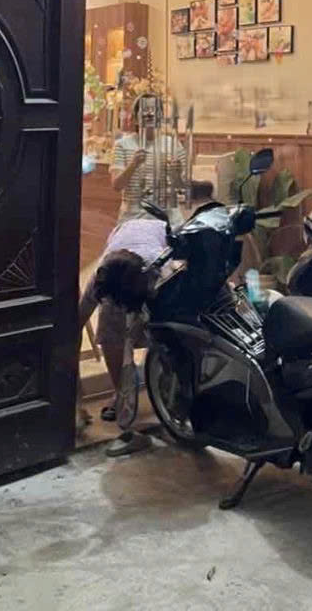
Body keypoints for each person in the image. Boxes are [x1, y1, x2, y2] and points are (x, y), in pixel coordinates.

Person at [78, 214, 168, 457]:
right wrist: (74, 394)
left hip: (156, 238)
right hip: (123, 234)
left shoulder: (161, 269)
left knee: (165, 325)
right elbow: (78, 319)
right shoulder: (101, 278)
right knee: (110, 328)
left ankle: (169, 385)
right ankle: (120, 392)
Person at [111, 93, 186, 217]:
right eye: (145, 110)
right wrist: (133, 165)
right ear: (135, 118)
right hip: (134, 217)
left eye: (154, 110)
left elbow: (183, 188)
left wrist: (177, 174)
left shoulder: (173, 144)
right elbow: (116, 186)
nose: (150, 114)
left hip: (168, 218)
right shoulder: (122, 145)